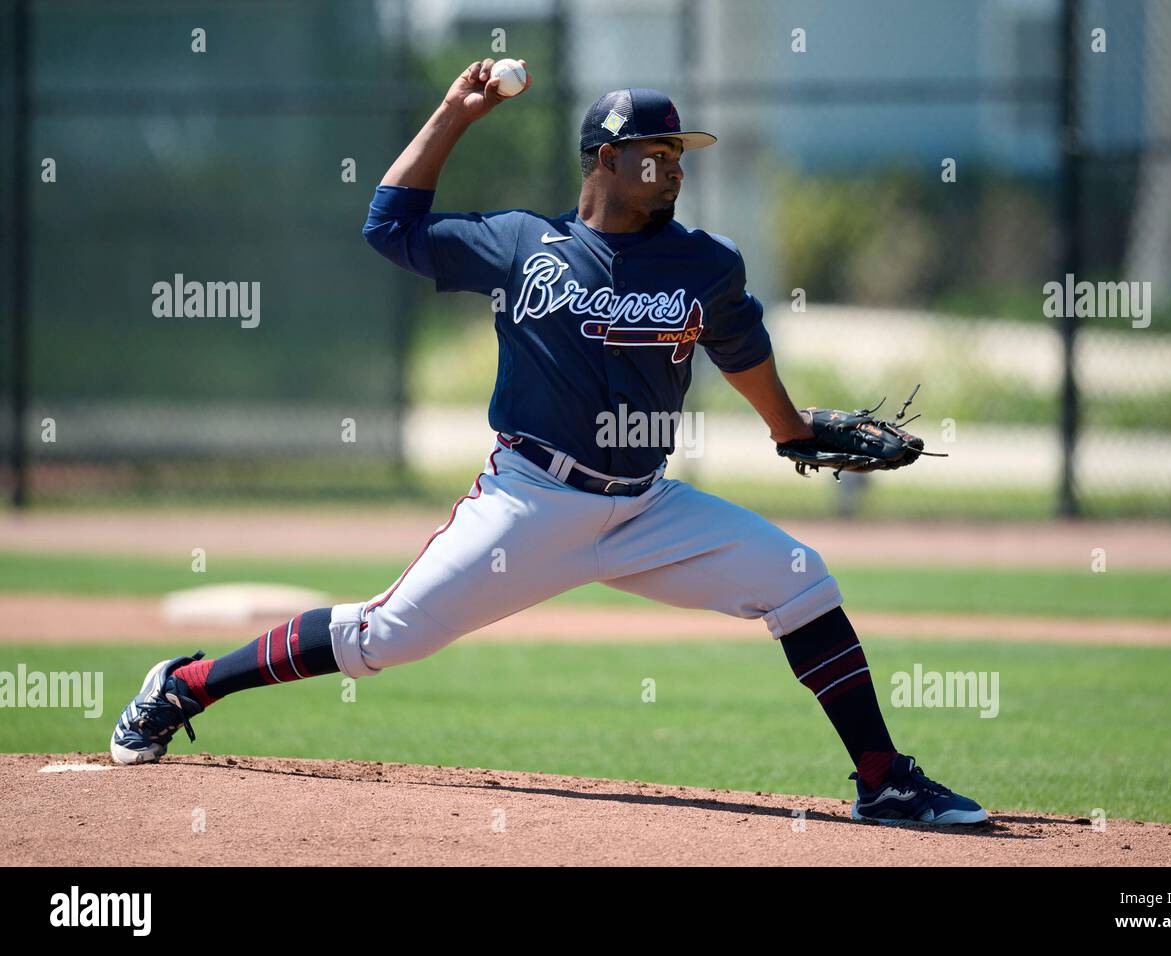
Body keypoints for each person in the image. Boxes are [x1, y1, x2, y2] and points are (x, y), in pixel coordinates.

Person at [110, 59, 987, 826]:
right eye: (659, 151)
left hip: (647, 505)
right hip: (530, 500)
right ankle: (186, 685)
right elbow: (388, 227)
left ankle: (883, 781)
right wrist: (456, 112)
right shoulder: (522, 244)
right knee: (383, 639)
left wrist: (788, 430)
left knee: (800, 579)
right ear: (606, 159)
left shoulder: (704, 262)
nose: (675, 165)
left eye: (682, 152)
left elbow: (741, 347)